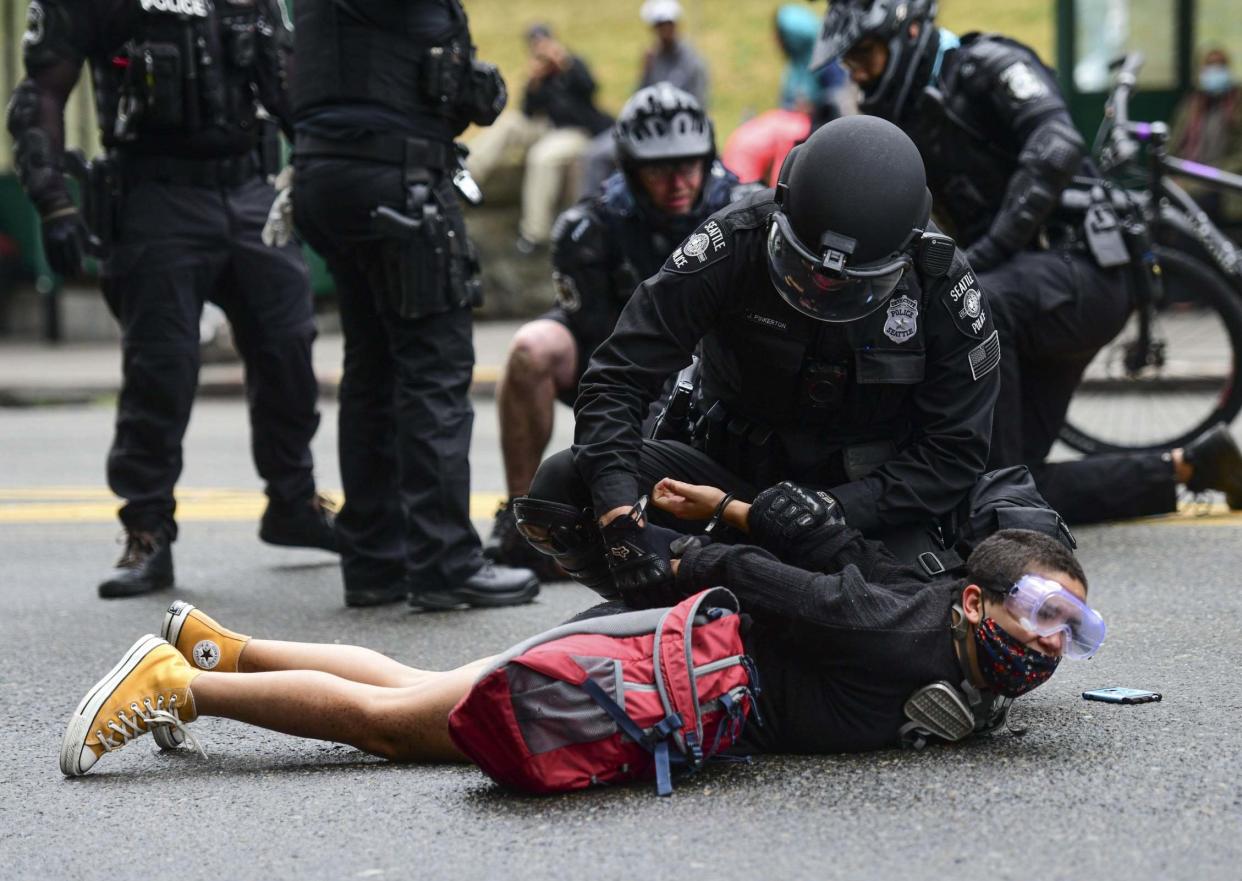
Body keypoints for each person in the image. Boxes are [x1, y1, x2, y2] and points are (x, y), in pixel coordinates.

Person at [58, 481, 1101, 777]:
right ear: (976, 600)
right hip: (637, 659)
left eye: (1073, 629)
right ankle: (178, 683)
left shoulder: (966, 654)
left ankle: (220, 648)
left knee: (422, 681)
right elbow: (768, 578)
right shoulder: (892, 625)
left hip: (651, 649)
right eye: (1045, 616)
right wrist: (694, 546)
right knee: (401, 726)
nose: (1053, 641)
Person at [522, 114, 1001, 606]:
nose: (822, 288)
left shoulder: (942, 286)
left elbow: (954, 451)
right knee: (567, 487)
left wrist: (832, 508)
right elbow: (620, 375)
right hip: (724, 476)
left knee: (918, 626)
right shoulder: (733, 240)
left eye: (849, 281)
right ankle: (665, 606)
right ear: (782, 211)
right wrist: (619, 510)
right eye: (805, 265)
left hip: (859, 505)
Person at [811, 0, 1242, 524]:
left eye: (866, 55)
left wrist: (982, 257)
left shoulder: (987, 64)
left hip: (1084, 267)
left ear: (912, 32)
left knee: (979, 314)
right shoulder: (901, 114)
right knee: (1009, 474)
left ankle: (997, 511)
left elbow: (1056, 145)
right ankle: (1189, 468)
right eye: (851, 64)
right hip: (1031, 283)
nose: (859, 73)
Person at [6, 0, 338, 599]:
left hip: (249, 189)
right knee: (161, 367)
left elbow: (293, 87)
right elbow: (42, 93)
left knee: (289, 344)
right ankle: (146, 529)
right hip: (153, 195)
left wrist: (327, 170)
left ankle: (293, 504)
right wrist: (52, 199)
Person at [289, 0, 539, 609]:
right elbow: (465, 94)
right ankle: (445, 563)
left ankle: (374, 560)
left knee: (371, 370)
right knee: (433, 372)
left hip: (324, 177)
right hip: (398, 180)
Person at [486, 84, 759, 579]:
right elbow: (602, 348)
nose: (677, 180)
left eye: (688, 164)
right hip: (619, 365)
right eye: (659, 168)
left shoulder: (747, 216)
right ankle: (522, 515)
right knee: (531, 348)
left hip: (716, 375)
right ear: (632, 170)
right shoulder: (588, 228)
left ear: (708, 158)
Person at [465, 24, 613, 253]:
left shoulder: (573, 64)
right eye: (534, 44)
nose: (540, 48)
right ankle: (468, 170)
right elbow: (527, 112)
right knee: (509, 123)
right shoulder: (539, 75)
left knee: (542, 157)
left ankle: (534, 233)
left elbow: (590, 89)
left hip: (577, 130)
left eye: (543, 42)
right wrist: (533, 82)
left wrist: (564, 63)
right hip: (547, 127)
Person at [1169, 48, 1242, 230]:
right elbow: (1173, 146)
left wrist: (1206, 178)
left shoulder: (1237, 105)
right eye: (1210, 65)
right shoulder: (1191, 105)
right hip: (1188, 175)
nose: (1215, 71)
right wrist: (1174, 175)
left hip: (1222, 183)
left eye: (1220, 65)